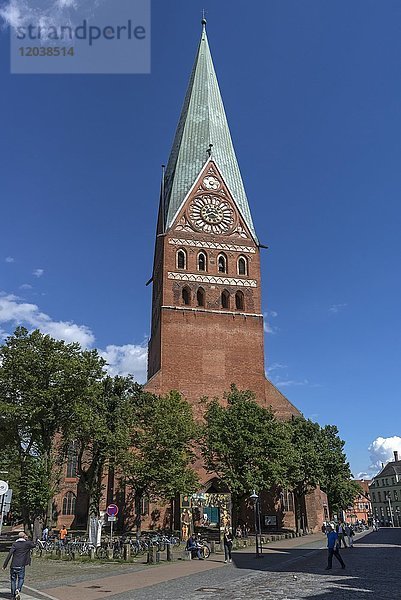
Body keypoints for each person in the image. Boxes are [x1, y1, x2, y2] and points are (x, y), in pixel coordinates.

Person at [2, 531, 36, 600]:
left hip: (13, 564)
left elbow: (10, 554)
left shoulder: (15, 544)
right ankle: (18, 589)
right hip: (21, 565)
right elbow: (34, 545)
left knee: (13, 580)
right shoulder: (27, 543)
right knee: (21, 578)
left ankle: (12, 596)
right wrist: (27, 539)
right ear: (24, 537)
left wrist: (4, 565)